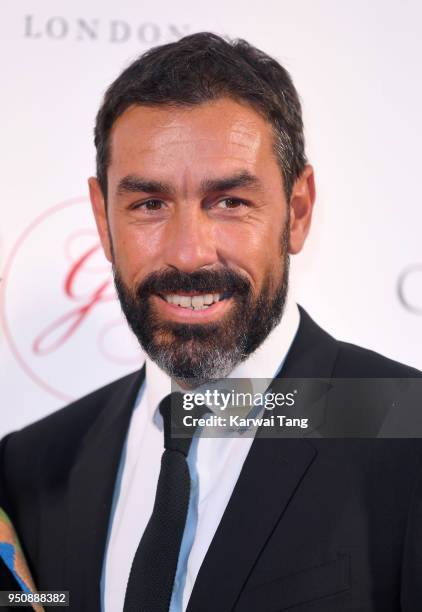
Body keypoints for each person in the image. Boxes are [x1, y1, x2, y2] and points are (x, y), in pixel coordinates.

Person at [1, 32, 421, 612]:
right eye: (149, 204)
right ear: (102, 219)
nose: (189, 253)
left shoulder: (407, 428)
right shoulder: (31, 466)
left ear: (297, 212)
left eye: (230, 202)